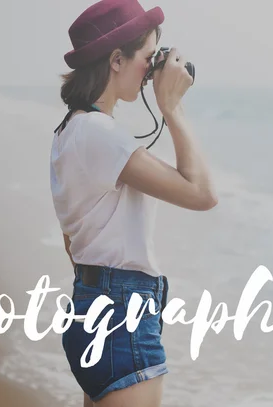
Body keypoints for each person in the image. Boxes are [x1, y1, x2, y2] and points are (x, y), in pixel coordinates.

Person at [49, 1, 217, 406]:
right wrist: (172, 108)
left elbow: (72, 240)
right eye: (148, 58)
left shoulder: (71, 129)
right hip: (122, 318)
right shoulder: (101, 134)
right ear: (117, 59)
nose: (151, 72)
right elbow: (202, 194)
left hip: (92, 307)